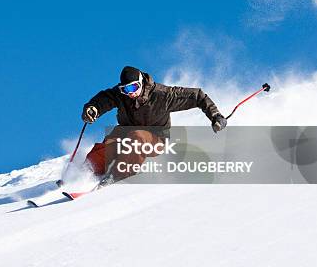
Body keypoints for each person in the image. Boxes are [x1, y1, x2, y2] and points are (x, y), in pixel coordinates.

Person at [81, 66, 227, 183]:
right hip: (125, 132)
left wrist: (215, 115)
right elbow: (104, 99)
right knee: (111, 143)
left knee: (137, 137)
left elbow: (197, 96)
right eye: (125, 89)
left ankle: (118, 174)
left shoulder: (163, 96)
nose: (130, 93)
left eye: (133, 88)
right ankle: (86, 171)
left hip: (155, 137)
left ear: (141, 82)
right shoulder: (121, 95)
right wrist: (92, 109)